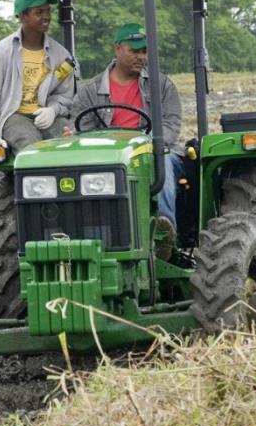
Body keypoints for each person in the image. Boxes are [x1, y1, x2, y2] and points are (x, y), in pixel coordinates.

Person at [69, 22, 183, 260]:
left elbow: (171, 124)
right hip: (107, 155)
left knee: (164, 159)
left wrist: (150, 144)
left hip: (150, 148)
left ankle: (164, 229)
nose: (141, 57)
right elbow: (82, 131)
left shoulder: (161, 85)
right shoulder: (89, 91)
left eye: (144, 51)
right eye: (134, 51)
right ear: (117, 49)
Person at [0, 0, 75, 155]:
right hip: (14, 115)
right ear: (22, 16)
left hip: (47, 115)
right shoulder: (2, 52)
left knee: (70, 141)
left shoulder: (61, 55)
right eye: (39, 12)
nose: (46, 16)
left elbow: (64, 95)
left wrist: (53, 110)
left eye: (48, 11)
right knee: (31, 147)